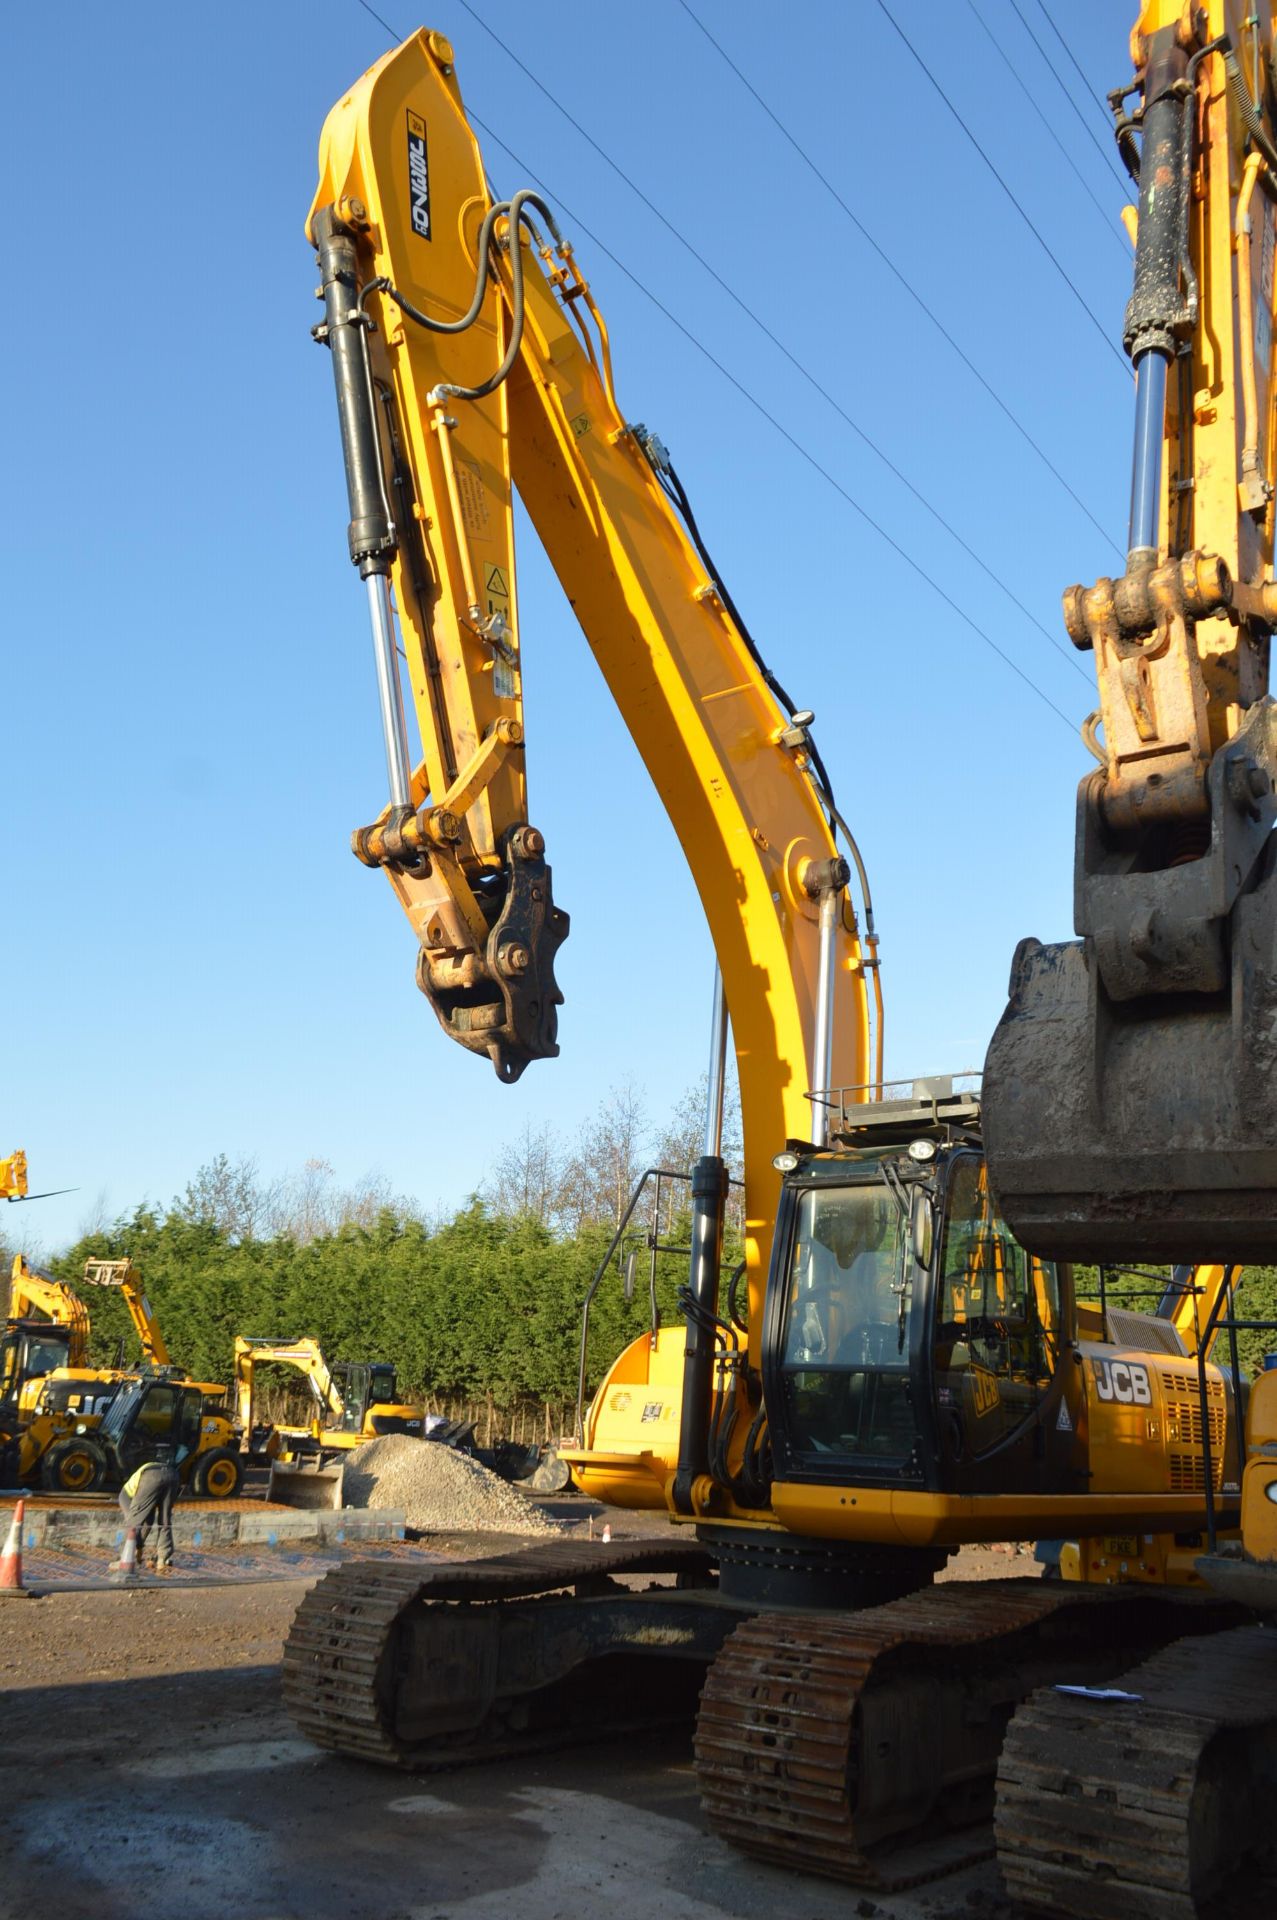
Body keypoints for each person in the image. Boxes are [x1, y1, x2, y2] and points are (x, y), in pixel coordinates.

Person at [114, 1445, 184, 1575]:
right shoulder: (136, 1489)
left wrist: (137, 1549)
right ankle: (163, 1559)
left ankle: (125, 1558)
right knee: (165, 1519)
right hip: (172, 1474)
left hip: (151, 1475)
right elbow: (148, 1521)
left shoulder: (124, 1497)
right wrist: (140, 1549)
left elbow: (136, 1524)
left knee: (132, 1523)